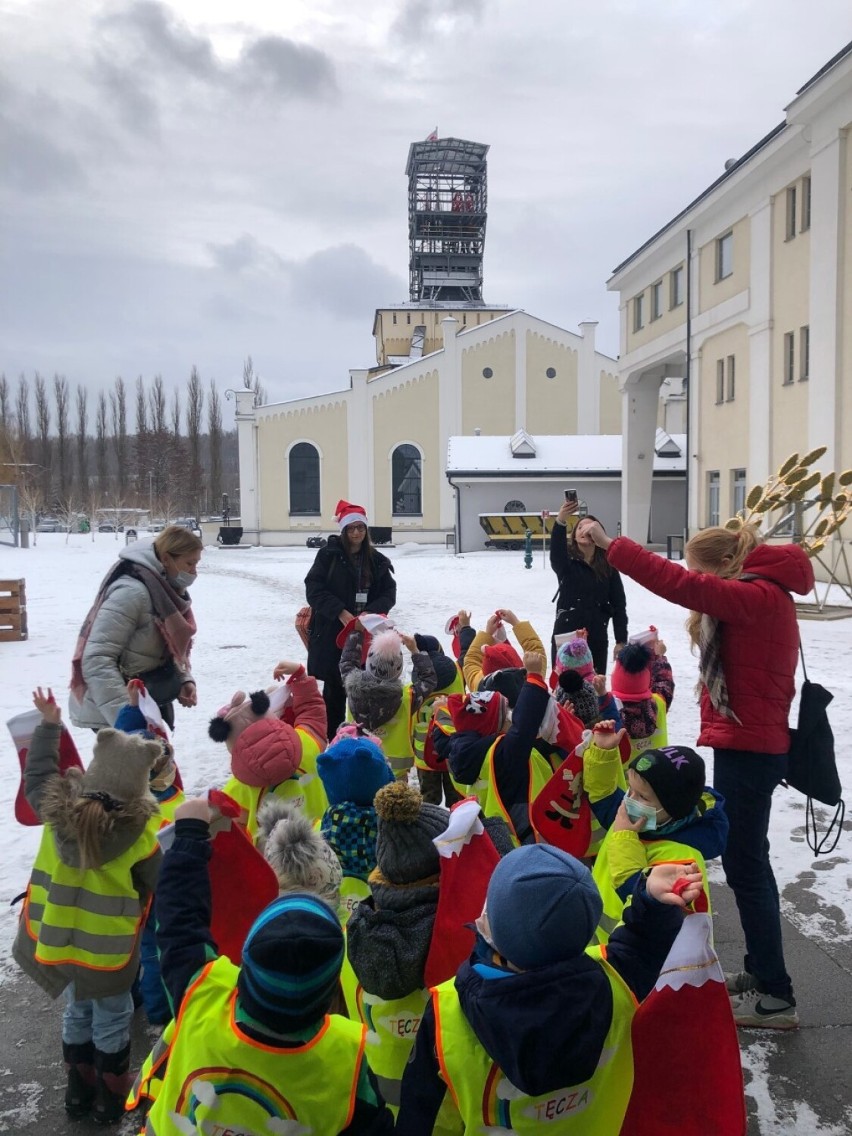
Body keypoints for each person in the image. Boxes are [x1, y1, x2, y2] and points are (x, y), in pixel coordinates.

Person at [585, 516, 815, 1028]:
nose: (698, 584)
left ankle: (776, 995)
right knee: (749, 863)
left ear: (721, 567)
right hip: (751, 743)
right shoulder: (763, 593)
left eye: (701, 572)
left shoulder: (756, 595)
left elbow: (678, 584)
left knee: (748, 869)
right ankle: (761, 972)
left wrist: (610, 546)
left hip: (751, 748)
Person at [397, 843, 704, 1135]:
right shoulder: (616, 978)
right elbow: (642, 944)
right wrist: (652, 901)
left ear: (497, 933)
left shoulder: (446, 1011)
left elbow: (425, 1115)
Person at [148, 796, 394, 1134]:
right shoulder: (346, 1054)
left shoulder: (202, 996)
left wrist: (189, 836)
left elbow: (178, 921)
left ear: (244, 962)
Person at [13, 688, 163, 1124]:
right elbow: (162, 882)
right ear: (137, 789)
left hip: (57, 942)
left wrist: (49, 724)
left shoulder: (54, 809)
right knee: (112, 1019)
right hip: (107, 955)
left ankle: (77, 1094)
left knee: (76, 1011)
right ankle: (110, 1100)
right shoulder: (140, 838)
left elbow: (38, 774)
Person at [583, 723, 729, 942]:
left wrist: (625, 838)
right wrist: (603, 753)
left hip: (630, 957)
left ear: (672, 808)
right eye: (630, 790)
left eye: (642, 797)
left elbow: (641, 898)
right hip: (594, 941)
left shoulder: (683, 858)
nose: (629, 800)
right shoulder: (633, 818)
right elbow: (602, 795)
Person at [70, 525, 202, 731]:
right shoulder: (131, 593)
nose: (194, 572)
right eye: (189, 563)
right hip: (117, 713)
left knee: (160, 763)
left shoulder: (165, 590)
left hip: (144, 706)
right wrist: (129, 721)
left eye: (196, 564)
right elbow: (96, 660)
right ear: (166, 559)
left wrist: (183, 679)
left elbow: (167, 647)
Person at [305, 500, 396, 739]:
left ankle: (364, 739)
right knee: (335, 690)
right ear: (344, 531)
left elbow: (389, 593)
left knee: (366, 690)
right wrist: (340, 612)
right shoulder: (328, 556)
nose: (356, 533)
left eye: (361, 528)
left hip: (366, 634)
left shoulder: (376, 560)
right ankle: (333, 740)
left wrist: (370, 615)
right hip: (333, 633)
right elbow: (313, 589)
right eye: (351, 528)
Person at [549, 504, 628, 673]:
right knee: (564, 689)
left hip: (597, 637)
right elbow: (556, 551)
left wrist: (621, 641)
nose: (585, 530)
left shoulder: (608, 566)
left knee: (594, 689)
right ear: (574, 535)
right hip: (566, 636)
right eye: (580, 527)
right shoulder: (566, 563)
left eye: (591, 527)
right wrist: (561, 519)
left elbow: (619, 605)